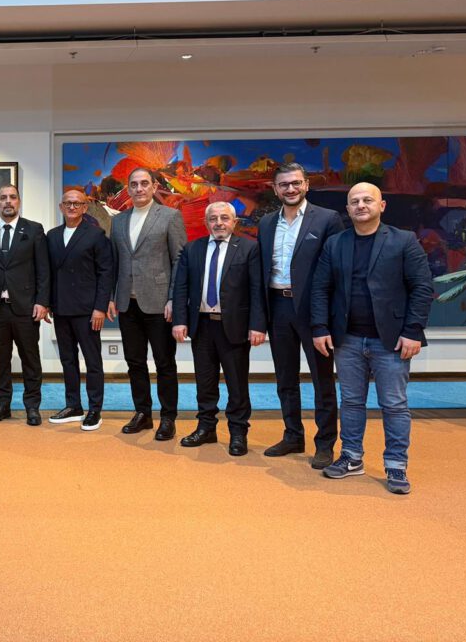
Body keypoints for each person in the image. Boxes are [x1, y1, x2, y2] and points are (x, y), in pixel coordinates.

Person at [311, 182, 433, 495]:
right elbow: (321, 288)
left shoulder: (404, 240)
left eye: (368, 200)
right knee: (351, 402)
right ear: (347, 209)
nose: (361, 205)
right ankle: (352, 458)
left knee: (394, 404)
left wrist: (412, 331)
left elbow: (422, 287)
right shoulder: (335, 244)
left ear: (382, 205)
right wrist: (320, 327)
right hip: (348, 339)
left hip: (391, 341)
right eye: (355, 201)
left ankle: (396, 464)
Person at [257, 163, 344, 469]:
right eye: (284, 184)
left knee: (322, 380)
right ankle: (293, 435)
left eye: (296, 183)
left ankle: (325, 443)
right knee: (285, 378)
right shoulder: (266, 223)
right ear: (275, 189)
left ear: (306, 184)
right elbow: (261, 271)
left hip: (313, 311)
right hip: (278, 307)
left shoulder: (328, 219)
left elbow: (336, 270)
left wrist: (327, 318)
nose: (290, 189)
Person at [172, 202, 266, 456]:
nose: (219, 223)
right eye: (213, 219)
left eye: (225, 218)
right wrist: (180, 320)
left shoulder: (249, 248)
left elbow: (257, 289)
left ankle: (238, 432)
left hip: (234, 327)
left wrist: (257, 325)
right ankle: (206, 428)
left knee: (237, 384)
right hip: (202, 325)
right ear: (206, 223)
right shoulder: (192, 249)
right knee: (205, 382)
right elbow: (180, 287)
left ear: (234, 222)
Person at [107, 167, 187, 441]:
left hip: (159, 303)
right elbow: (115, 262)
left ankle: (168, 418)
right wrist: (111, 296)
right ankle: (143, 413)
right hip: (127, 304)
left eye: (144, 183)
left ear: (154, 186)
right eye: (134, 184)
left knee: (165, 363)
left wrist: (174, 298)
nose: (139, 189)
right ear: (128, 189)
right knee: (135, 362)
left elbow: (179, 261)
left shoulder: (170, 216)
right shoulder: (119, 221)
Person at [0, 185, 50, 426]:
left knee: (30, 359)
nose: (8, 201)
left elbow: (44, 270)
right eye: (3, 198)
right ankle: (2, 405)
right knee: (0, 360)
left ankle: (32, 407)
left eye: (12, 197)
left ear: (19, 201)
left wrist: (42, 302)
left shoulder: (34, 229)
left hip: (26, 307)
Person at [45, 189, 114, 431]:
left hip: (88, 311)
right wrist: (47, 303)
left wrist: (100, 308)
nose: (72, 207)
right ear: (61, 207)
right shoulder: (52, 236)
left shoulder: (96, 234)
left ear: (85, 207)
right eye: (68, 203)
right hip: (61, 308)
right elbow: (48, 273)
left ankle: (95, 409)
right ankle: (73, 405)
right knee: (68, 360)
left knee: (92, 361)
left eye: (77, 203)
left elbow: (106, 273)